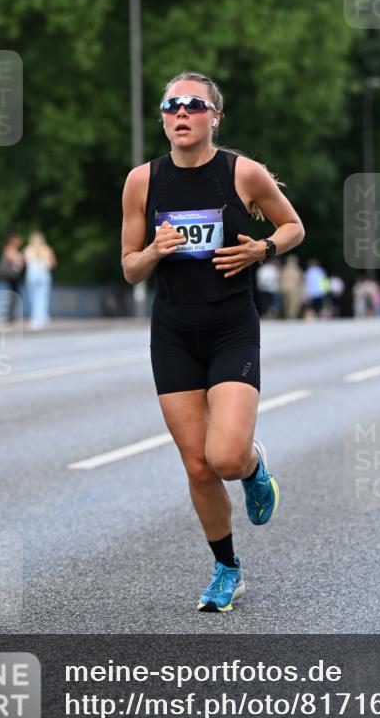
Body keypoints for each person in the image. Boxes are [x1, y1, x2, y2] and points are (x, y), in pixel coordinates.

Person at [121, 71, 304, 612]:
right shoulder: (141, 181)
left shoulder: (242, 173)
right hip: (173, 331)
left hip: (230, 327)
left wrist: (261, 250)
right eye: (171, 105)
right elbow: (131, 268)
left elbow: (293, 226)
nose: (181, 113)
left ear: (214, 117)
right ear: (162, 117)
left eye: (193, 105)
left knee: (223, 456)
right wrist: (154, 251)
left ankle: (252, 467)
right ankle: (227, 568)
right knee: (197, 465)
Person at [23, 231, 56, 329]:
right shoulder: (47, 249)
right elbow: (52, 264)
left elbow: (24, 263)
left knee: (33, 298)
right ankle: (42, 318)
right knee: (43, 297)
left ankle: (35, 319)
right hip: (44, 274)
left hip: (32, 274)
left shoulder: (28, 249)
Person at [0, 233, 24, 324]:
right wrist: (19, 258)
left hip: (14, 275)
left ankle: (11, 315)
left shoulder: (14, 249)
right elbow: (13, 259)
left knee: (15, 294)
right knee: (13, 294)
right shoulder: (9, 249)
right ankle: (10, 316)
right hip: (11, 275)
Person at [280, 254, 305, 319]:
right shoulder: (297, 269)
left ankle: (289, 313)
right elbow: (300, 280)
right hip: (294, 288)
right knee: (294, 302)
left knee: (287, 301)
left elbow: (281, 279)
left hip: (285, 287)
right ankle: (292, 313)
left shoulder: (284, 269)